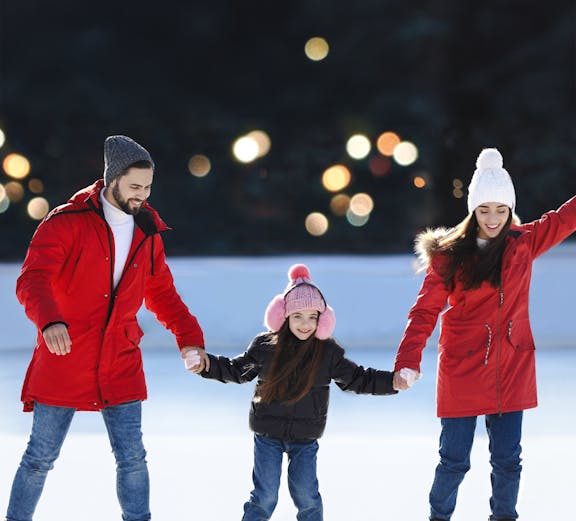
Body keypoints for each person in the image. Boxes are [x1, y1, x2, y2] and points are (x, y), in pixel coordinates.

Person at [6, 135, 209, 521]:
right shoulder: (66, 222)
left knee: (132, 457)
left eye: (147, 187)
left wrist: (189, 342)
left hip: (120, 359)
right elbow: (32, 279)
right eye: (135, 187)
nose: (142, 196)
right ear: (112, 179)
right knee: (39, 457)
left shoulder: (146, 230)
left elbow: (162, 293)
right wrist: (50, 320)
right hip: (66, 355)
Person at [392, 147, 576, 521]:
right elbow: (425, 310)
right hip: (463, 367)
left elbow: (565, 218)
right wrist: (407, 361)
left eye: (501, 210)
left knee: (508, 461)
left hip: (512, 365)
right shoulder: (449, 256)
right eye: (484, 210)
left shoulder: (523, 244)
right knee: (454, 461)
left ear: (510, 210)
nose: (493, 218)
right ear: (473, 210)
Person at [185, 264, 398, 521]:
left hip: (305, 439)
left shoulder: (327, 352)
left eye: (312, 317)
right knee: (264, 498)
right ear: (284, 317)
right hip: (268, 436)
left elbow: (358, 378)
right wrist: (205, 364)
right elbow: (235, 370)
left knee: (307, 496)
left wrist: (393, 382)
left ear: (322, 320)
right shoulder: (266, 347)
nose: (305, 324)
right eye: (297, 316)